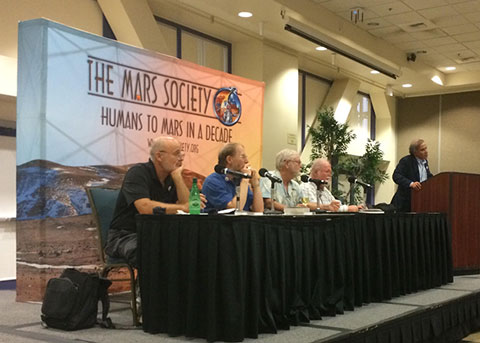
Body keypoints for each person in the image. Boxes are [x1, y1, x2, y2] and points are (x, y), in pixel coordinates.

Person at [105, 136, 203, 267]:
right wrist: (183, 207)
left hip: (156, 234)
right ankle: (150, 288)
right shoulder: (138, 173)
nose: (181, 157)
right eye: (176, 153)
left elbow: (188, 208)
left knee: (192, 247)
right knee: (152, 250)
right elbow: (144, 208)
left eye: (181, 153)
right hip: (125, 235)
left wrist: (178, 177)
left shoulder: (171, 177)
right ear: (159, 156)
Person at [201, 143, 263, 212]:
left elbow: (259, 211)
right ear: (229, 159)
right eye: (243, 156)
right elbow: (235, 209)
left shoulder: (239, 180)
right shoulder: (212, 181)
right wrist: (245, 179)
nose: (247, 161)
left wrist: (256, 185)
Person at [391, 139, 433, 212]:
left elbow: (427, 176)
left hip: (420, 200)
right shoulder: (406, 161)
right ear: (415, 152)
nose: (426, 151)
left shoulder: (425, 162)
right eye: (422, 150)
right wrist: (411, 184)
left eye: (426, 148)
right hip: (405, 202)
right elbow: (396, 176)